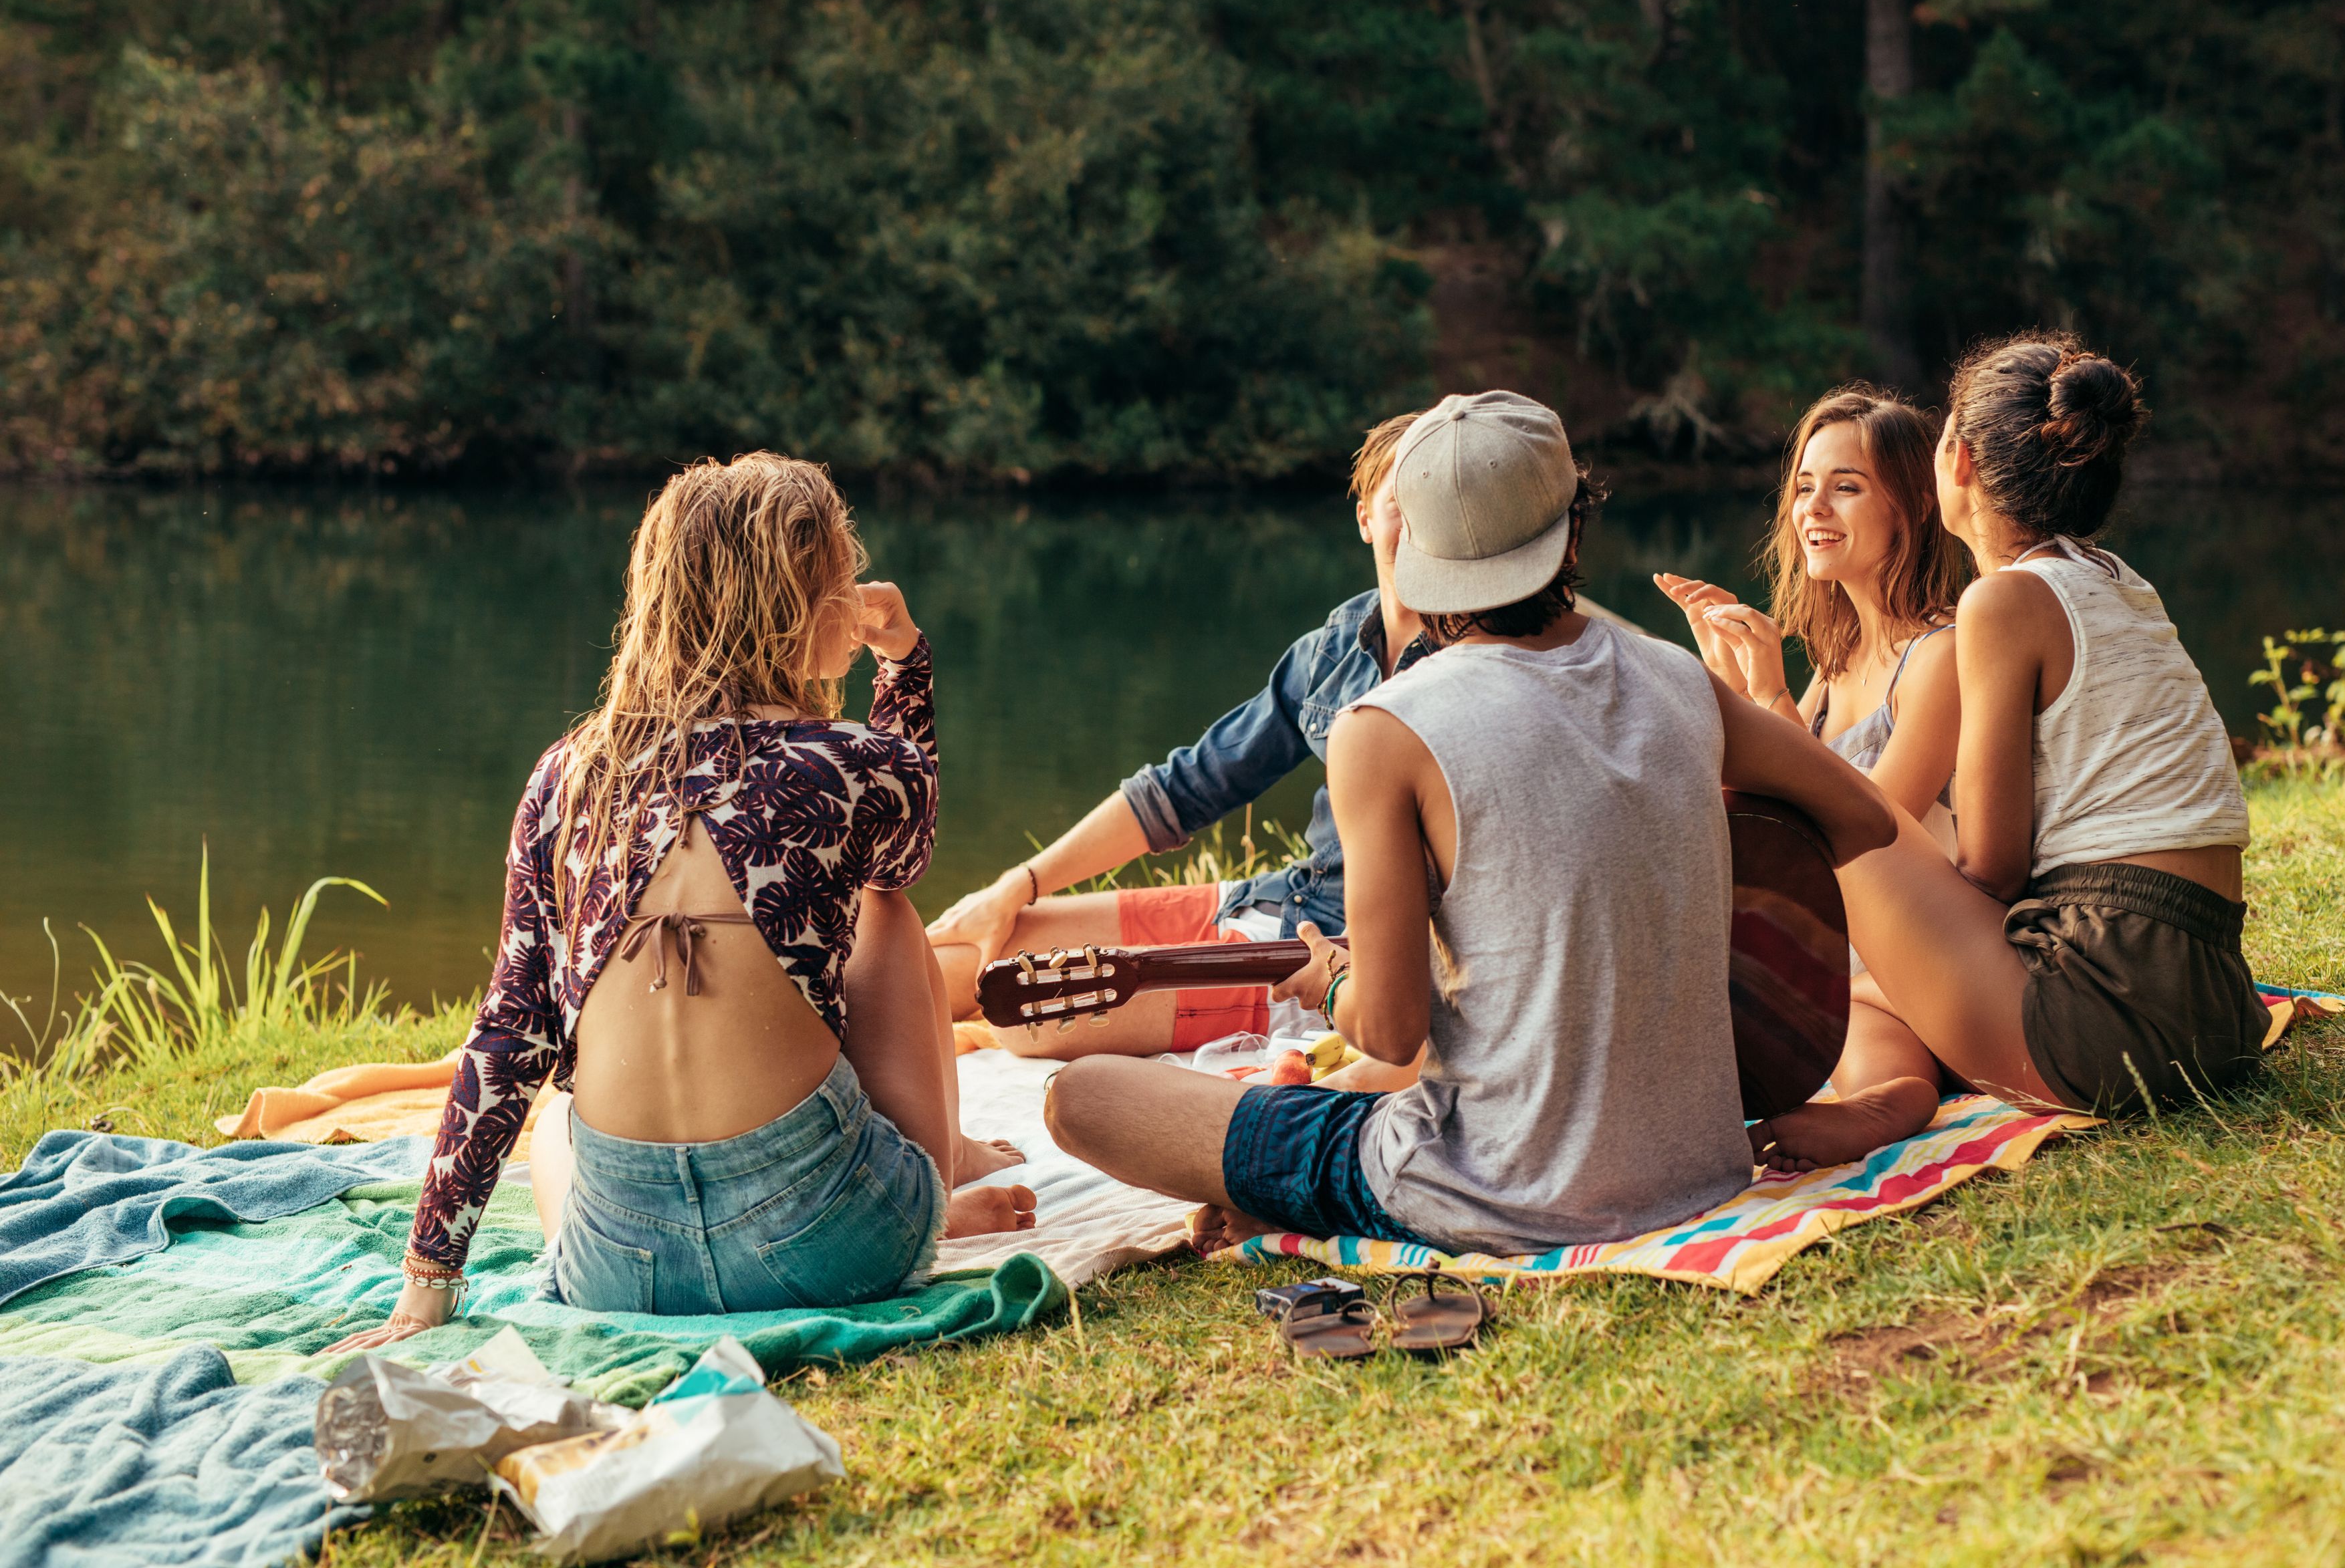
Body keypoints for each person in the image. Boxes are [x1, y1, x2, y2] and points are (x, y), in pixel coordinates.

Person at [1042, 392, 1904, 1258]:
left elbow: (1386, 1031)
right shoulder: (1677, 676)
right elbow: (1862, 817)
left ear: (1418, 550)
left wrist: (1327, 980)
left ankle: (1297, 1197)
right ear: (1573, 531)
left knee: (1082, 1098)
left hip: (1488, 1191)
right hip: (1701, 1166)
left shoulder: (1384, 728)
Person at [326, 454, 1033, 1352]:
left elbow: (510, 1033)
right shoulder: (854, 765)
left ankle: (879, 1187)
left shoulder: (567, 775)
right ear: (800, 601)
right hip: (838, 1245)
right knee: (888, 903)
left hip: (622, 1270)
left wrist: (429, 1280)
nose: (858, 590)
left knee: (553, 1118)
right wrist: (905, 664)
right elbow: (909, 847)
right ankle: (932, 1184)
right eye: (843, 572)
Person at [1755, 334, 2266, 1170]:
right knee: (1880, 956)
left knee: (1837, 806)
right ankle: (1889, 1077)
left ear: (1952, 461)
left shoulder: (2002, 601)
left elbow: (1993, 866)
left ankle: (1887, 1073)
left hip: (2109, 1018)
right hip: (2215, 1003)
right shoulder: (2118, 581)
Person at [924, 412, 1439, 1061]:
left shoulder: (1472, 670)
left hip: (1326, 961)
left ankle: (951, 1043)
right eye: (1400, 506)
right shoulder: (1335, 645)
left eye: (1438, 508)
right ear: (1365, 515)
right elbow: (1186, 786)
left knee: (1027, 1009)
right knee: (966, 955)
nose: (1420, 531)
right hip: (1271, 899)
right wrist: (1016, 884)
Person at [1654, 388, 1972, 840]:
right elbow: (1769, 802)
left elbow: (1865, 840)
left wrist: (1771, 692)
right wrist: (1736, 681)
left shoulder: (1943, 656)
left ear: (1915, 509)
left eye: (1846, 487)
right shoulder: (1838, 657)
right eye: (1805, 487)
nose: (1813, 507)